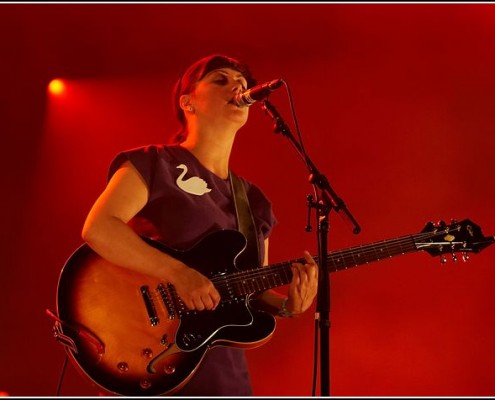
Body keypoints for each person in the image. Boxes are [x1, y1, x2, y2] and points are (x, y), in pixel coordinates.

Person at [81, 54, 319, 396]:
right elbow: (99, 228)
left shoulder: (252, 200)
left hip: (222, 371)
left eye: (242, 82)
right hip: (150, 350)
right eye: (220, 79)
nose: (238, 87)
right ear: (188, 102)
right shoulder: (154, 162)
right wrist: (180, 274)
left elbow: (250, 287)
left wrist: (287, 305)